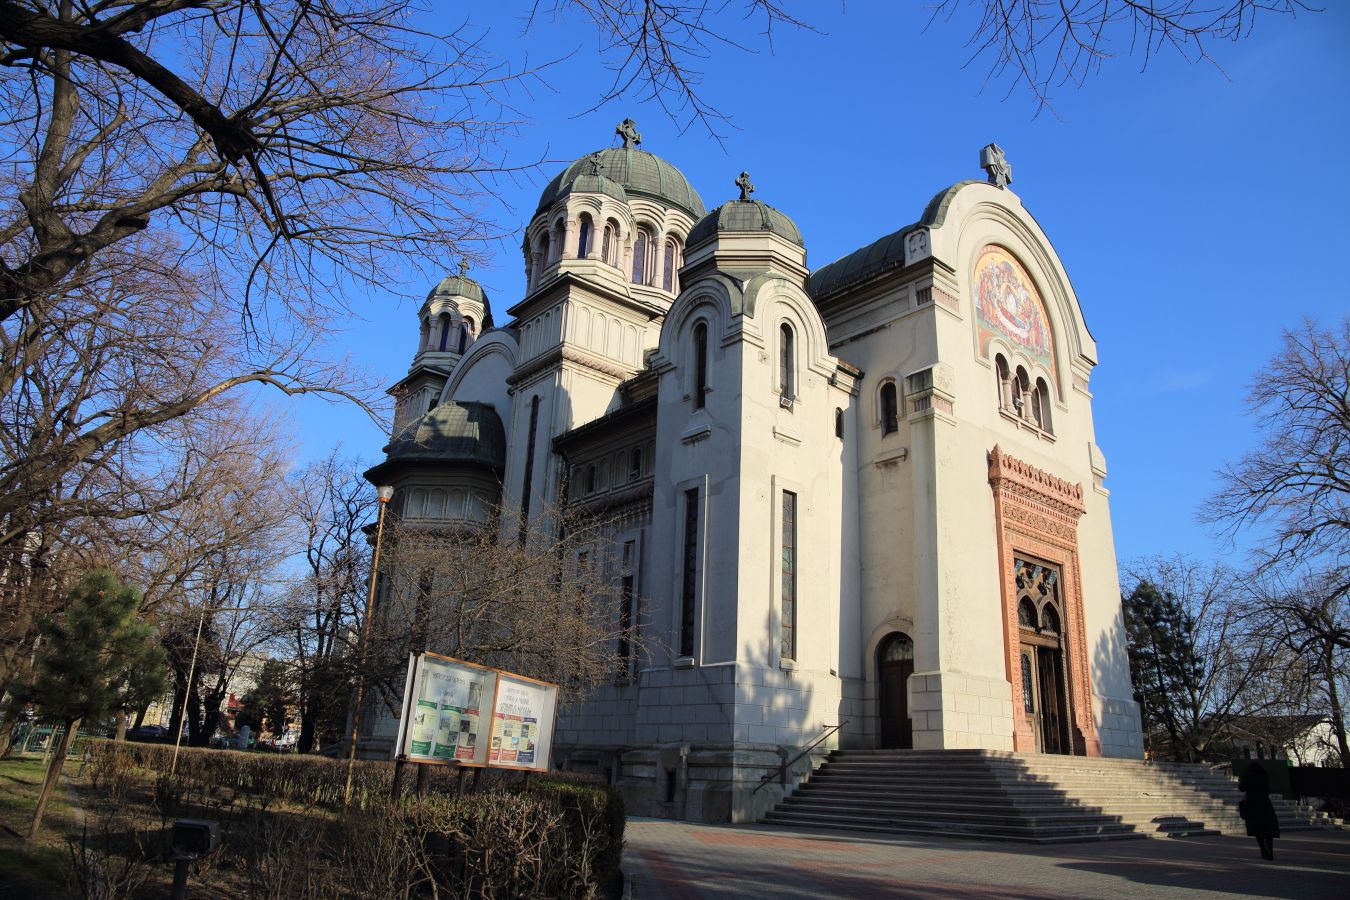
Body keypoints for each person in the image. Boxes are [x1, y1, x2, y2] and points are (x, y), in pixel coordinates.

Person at [1237, 763, 1280, 860]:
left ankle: (1263, 851)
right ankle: (1270, 851)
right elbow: (1268, 790)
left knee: (1257, 830)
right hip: (1265, 804)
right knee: (1268, 830)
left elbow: (1242, 788)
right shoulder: (1263, 775)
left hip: (1252, 804)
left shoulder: (1247, 775)